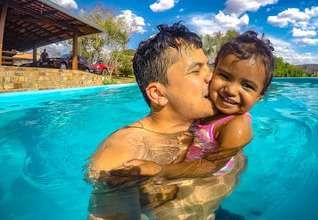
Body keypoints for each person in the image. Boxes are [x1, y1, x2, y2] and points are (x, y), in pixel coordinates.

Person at [86, 22, 220, 219]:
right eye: (196, 71)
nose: (212, 77)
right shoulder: (123, 152)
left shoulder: (211, 126)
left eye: (208, 67)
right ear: (158, 94)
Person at [126, 30, 275, 179]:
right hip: (185, 172)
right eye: (224, 76)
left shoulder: (237, 125)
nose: (231, 90)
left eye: (247, 86)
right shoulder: (205, 111)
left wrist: (159, 170)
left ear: (260, 96)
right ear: (214, 72)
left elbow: (210, 166)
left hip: (206, 183)